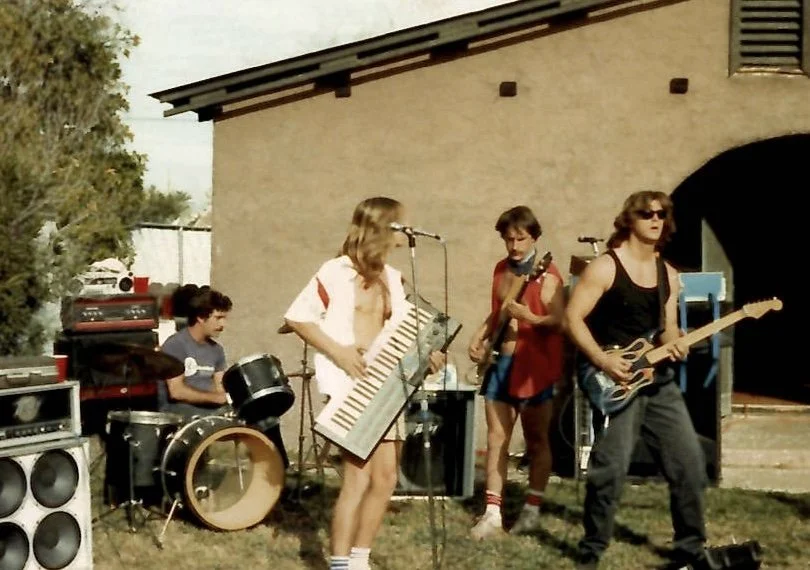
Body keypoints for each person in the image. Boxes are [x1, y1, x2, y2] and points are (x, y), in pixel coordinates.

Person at [284, 196, 445, 570]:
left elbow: (402, 333)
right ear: (382, 227)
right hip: (351, 383)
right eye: (401, 223)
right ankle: (340, 563)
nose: (408, 230)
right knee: (357, 478)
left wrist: (428, 357)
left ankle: (360, 559)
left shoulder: (393, 278)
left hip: (389, 384)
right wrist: (338, 351)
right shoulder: (336, 271)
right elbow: (297, 317)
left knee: (386, 478)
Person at [564, 191, 707, 569]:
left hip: (657, 380)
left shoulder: (668, 274)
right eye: (647, 213)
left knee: (689, 463)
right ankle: (592, 549)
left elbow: (667, 327)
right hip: (615, 378)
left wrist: (677, 342)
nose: (656, 219)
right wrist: (602, 360)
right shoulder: (605, 268)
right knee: (610, 469)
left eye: (661, 214)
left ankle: (690, 550)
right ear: (630, 219)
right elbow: (572, 318)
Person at [467, 205, 565, 538]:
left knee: (536, 439)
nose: (514, 246)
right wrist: (479, 336)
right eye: (509, 239)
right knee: (496, 438)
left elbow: (560, 321)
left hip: (534, 366)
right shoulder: (500, 269)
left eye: (520, 239)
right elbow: (499, 312)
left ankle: (532, 508)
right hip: (500, 363)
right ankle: (492, 512)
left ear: (534, 238)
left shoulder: (548, 276)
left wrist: (531, 317)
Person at [158, 287, 231, 418]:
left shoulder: (217, 350)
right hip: (180, 415)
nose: (223, 324)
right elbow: (176, 391)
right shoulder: (176, 345)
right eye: (218, 318)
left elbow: (220, 389)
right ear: (201, 317)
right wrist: (216, 398)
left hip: (211, 414)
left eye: (224, 318)